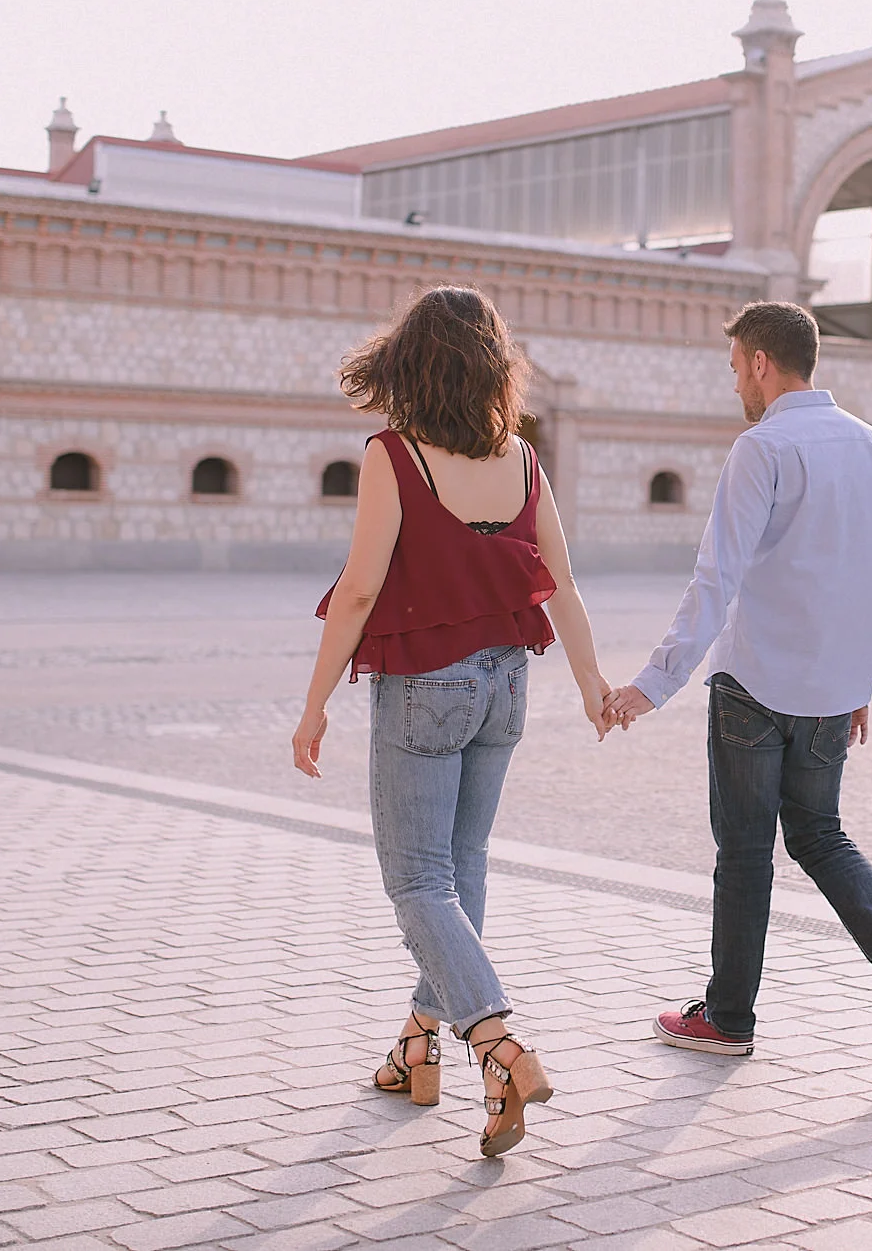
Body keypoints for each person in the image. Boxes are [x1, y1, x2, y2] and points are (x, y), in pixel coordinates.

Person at [288, 286, 611, 1161]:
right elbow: (564, 584)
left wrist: (314, 703)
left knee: (420, 883)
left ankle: (498, 1046)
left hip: (425, 688)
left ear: (412, 363)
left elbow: (359, 588)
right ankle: (414, 1047)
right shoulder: (523, 460)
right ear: (492, 367)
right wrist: (591, 685)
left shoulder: (394, 455)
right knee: (460, 872)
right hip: (507, 688)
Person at [606, 301, 872, 1073]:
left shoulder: (761, 447)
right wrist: (865, 676)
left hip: (754, 684)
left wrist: (651, 684)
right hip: (832, 687)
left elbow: (714, 578)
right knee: (820, 833)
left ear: (761, 362)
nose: (735, 386)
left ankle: (727, 1016)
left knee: (748, 849)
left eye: (734, 369)